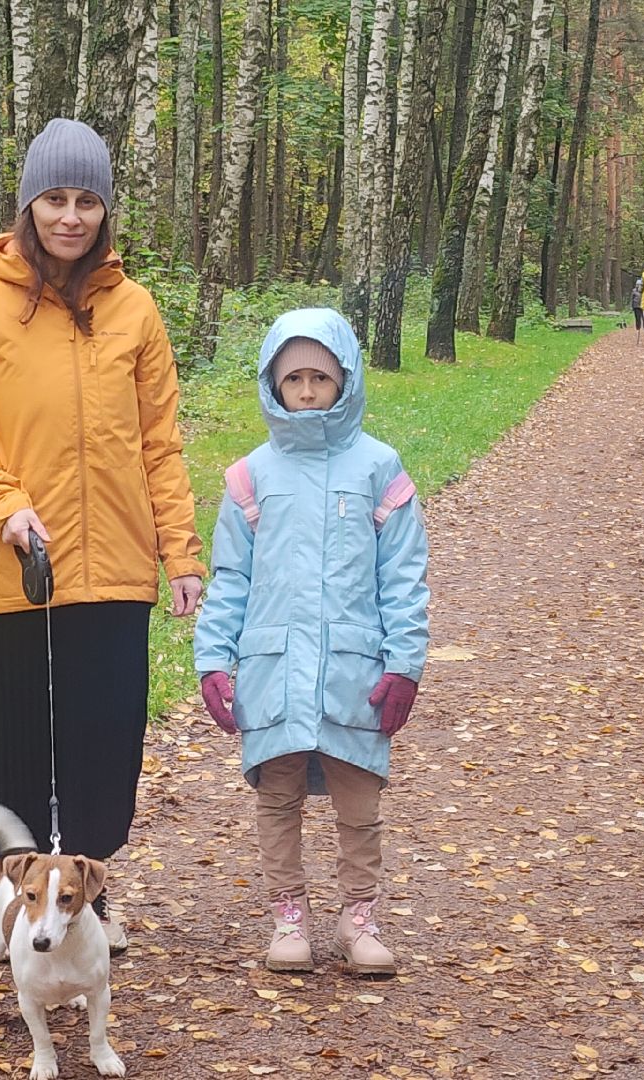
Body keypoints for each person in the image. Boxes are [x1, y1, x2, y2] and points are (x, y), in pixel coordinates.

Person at [0, 118, 205, 951]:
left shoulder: (136, 312)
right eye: (54, 200)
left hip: (113, 569)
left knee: (102, 752)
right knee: (4, 751)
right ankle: (5, 908)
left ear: (105, 212)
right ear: (28, 205)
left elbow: (160, 444)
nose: (70, 217)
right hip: (15, 568)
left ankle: (82, 900)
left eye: (87, 201)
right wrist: (2, 502)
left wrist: (179, 551)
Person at [193, 309, 431, 978]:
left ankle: (360, 918)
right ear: (272, 381)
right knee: (278, 796)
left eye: (319, 377)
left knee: (360, 800)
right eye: (292, 377)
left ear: (344, 379)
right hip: (274, 670)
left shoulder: (379, 467)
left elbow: (405, 576)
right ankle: (287, 915)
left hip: (354, 672)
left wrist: (404, 663)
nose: (305, 391)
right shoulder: (251, 475)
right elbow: (231, 578)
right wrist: (214, 658)